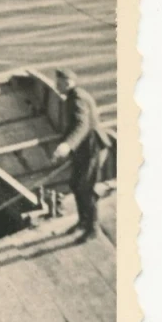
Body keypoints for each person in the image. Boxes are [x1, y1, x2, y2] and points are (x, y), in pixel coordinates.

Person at [50, 68, 109, 242]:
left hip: (92, 148)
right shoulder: (74, 95)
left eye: (58, 83)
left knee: (85, 187)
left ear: (68, 82)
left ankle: (93, 228)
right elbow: (74, 125)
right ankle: (83, 221)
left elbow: (82, 125)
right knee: (76, 184)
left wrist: (68, 145)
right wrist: (63, 144)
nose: (56, 86)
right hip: (84, 148)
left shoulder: (77, 98)